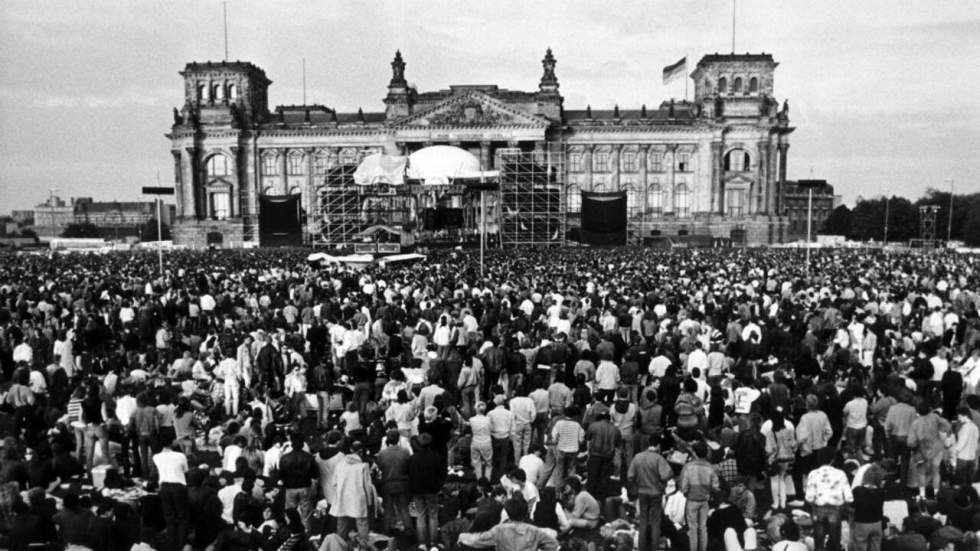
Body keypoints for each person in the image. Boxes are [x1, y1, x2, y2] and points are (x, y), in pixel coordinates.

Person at [458, 497, 560, 550]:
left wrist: (463, 536)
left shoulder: (499, 530)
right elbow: (554, 545)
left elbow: (478, 540)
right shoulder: (534, 531)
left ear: (508, 512)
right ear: (525, 513)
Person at [628, 432, 674, 551]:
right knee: (655, 522)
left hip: (642, 492)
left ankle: (642, 548)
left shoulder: (638, 457)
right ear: (658, 445)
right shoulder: (658, 458)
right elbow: (666, 475)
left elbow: (630, 475)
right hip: (656, 493)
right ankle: (654, 548)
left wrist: (637, 484)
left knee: (643, 521)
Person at [805, 448, 853, 551]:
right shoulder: (840, 474)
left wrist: (814, 507)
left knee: (819, 544)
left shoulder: (813, 474)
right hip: (835, 510)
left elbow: (809, 497)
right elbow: (848, 497)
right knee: (835, 543)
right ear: (833, 460)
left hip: (818, 510)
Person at [678, 441, 721, 551]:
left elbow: (683, 486)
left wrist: (686, 493)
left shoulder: (688, 467)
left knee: (692, 529)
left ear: (694, 452)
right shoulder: (710, 467)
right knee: (703, 528)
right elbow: (715, 487)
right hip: (704, 500)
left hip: (691, 500)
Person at [330, 440, 375, 543]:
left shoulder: (340, 464)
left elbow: (334, 482)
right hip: (358, 498)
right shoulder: (363, 466)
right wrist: (369, 502)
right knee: (362, 523)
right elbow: (367, 486)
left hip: (342, 497)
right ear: (361, 451)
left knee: (342, 524)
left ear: (350, 450)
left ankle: (339, 546)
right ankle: (364, 546)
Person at [153, 435, 190, 551]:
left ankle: (171, 543)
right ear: (172, 442)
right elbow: (185, 470)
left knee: (169, 517)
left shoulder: (156, 457)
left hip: (164, 487)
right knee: (183, 517)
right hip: (179, 487)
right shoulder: (180, 455)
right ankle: (181, 544)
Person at [408, 432, 445, 548]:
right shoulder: (436, 457)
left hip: (418, 491)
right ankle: (434, 542)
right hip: (432, 491)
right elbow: (442, 474)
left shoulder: (413, 459)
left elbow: (410, 475)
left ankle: (422, 543)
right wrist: (438, 486)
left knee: (421, 516)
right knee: (433, 516)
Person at [279, 431, 318, 530]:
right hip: (305, 487)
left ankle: (292, 532)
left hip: (290, 488)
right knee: (306, 514)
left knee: (290, 512)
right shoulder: (309, 457)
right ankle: (306, 532)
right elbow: (315, 474)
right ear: (302, 443)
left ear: (291, 444)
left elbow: (281, 476)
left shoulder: (285, 458)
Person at [850, 464, 884, 551]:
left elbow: (852, 507)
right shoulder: (881, 491)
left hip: (862, 523)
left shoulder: (857, 491)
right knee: (876, 547)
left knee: (860, 545)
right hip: (877, 523)